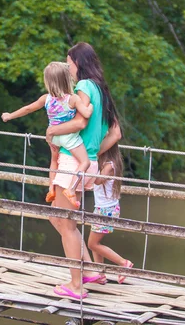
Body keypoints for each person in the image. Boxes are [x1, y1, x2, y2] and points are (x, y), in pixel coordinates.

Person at [45, 42, 122, 300]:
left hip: (70, 163)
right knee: (57, 217)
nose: (68, 68)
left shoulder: (83, 87)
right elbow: (116, 133)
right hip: (84, 163)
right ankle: (88, 270)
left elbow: (81, 120)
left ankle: (76, 286)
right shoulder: (101, 89)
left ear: (79, 63)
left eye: (69, 63)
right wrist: (92, 154)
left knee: (65, 225)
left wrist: (54, 131)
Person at [2, 62, 94, 207]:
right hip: (69, 137)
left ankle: (51, 188)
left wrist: (9, 116)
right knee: (85, 162)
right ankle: (71, 189)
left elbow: (28, 109)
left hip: (53, 137)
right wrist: (91, 106)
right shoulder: (73, 99)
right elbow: (86, 113)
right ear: (66, 79)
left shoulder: (46, 99)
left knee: (53, 162)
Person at [88, 143, 134, 284]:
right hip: (103, 208)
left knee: (92, 244)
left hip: (106, 210)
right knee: (95, 242)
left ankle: (123, 263)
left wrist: (88, 161)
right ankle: (101, 274)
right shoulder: (108, 164)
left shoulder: (109, 166)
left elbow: (97, 180)